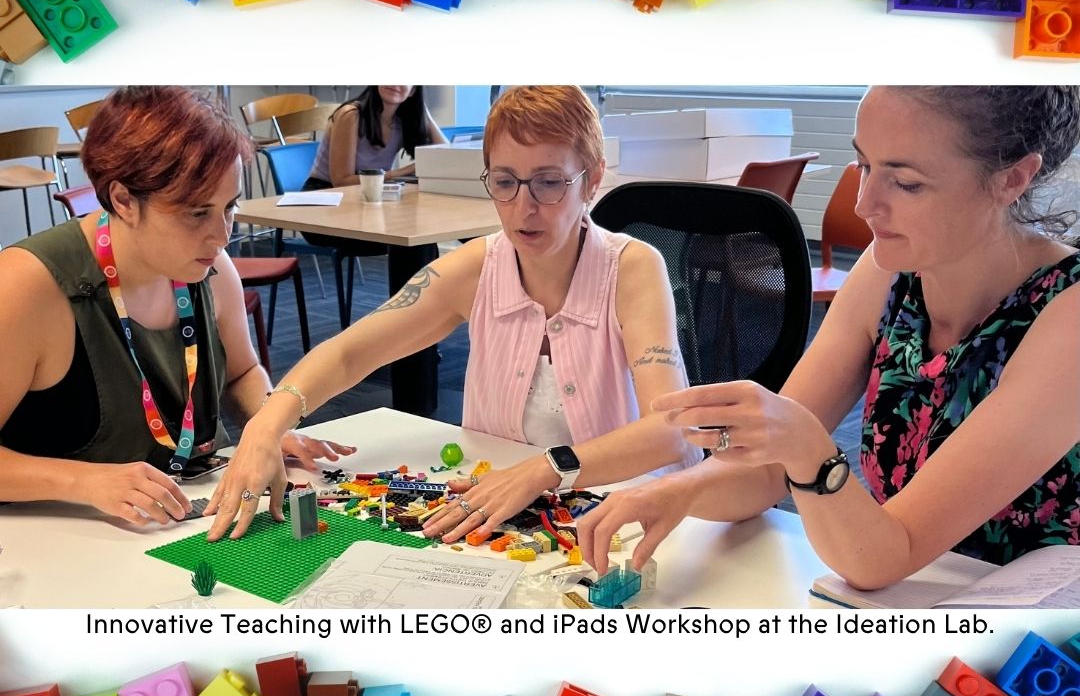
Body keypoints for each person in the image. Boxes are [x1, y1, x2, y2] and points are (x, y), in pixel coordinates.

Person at [579, 85, 1080, 590]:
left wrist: (806, 447)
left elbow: (882, 557)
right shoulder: (892, 268)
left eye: (905, 183)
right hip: (914, 586)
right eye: (864, 166)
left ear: (1012, 179)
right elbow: (764, 470)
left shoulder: (1068, 317)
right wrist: (677, 490)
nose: (864, 205)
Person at [206, 85, 700, 541]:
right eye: (504, 182)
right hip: (499, 502)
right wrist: (263, 428)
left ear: (590, 180)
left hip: (623, 511)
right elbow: (349, 354)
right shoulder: (475, 268)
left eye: (549, 184)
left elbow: (675, 432)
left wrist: (545, 468)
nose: (523, 207)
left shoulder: (633, 268)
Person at [0, 86, 354, 527]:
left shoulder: (211, 266)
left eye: (230, 207)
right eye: (196, 213)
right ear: (124, 200)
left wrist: (268, 427)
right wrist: (83, 482)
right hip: (60, 537)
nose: (223, 236)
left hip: (179, 516)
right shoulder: (27, 284)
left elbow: (242, 372)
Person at [305, 85, 447, 190]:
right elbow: (341, 181)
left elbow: (447, 154)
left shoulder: (402, 122)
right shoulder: (351, 115)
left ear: (413, 91)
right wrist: (400, 172)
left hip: (367, 192)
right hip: (325, 194)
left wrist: (424, 112)